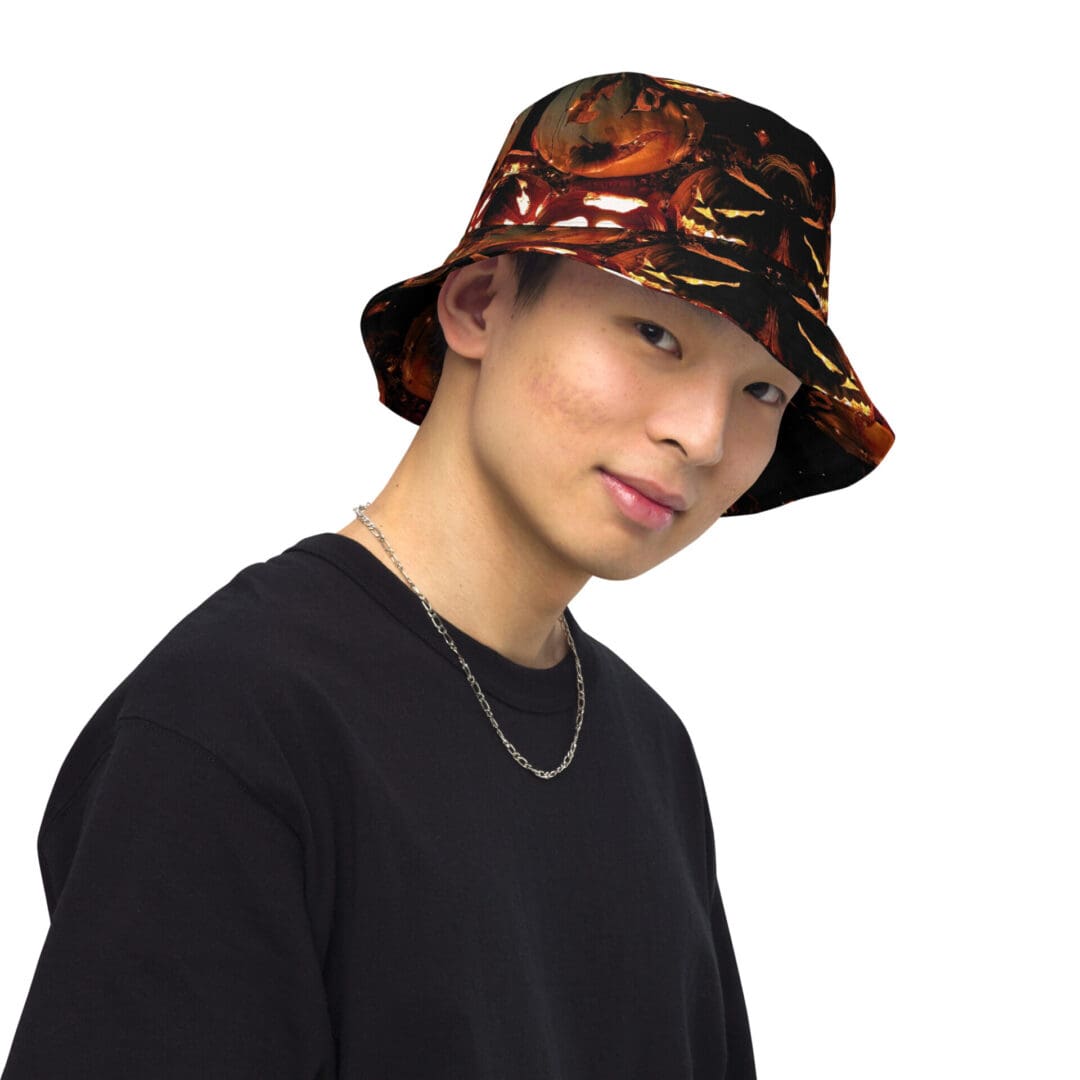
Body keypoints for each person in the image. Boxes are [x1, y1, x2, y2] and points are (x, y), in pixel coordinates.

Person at [2, 71, 894, 1078]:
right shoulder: (236, 721)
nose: (704, 435)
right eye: (656, 335)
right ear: (479, 305)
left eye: (763, 390)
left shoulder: (650, 752)